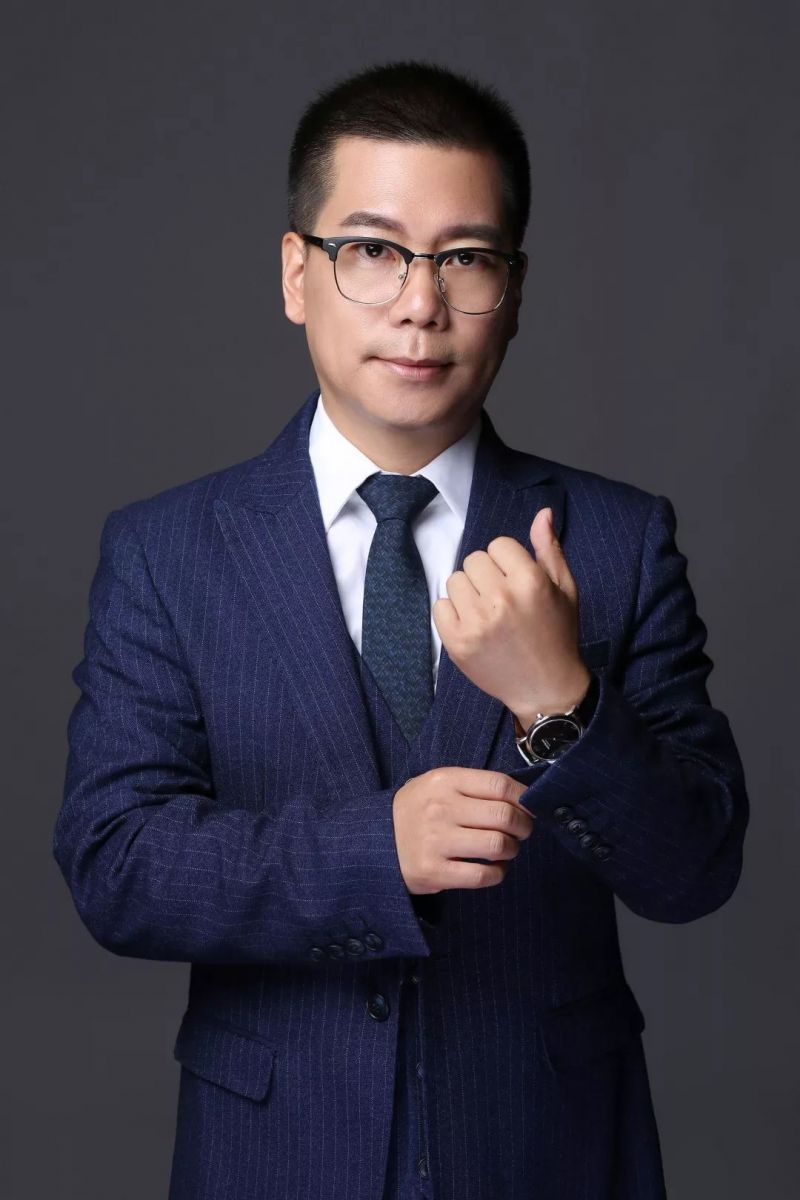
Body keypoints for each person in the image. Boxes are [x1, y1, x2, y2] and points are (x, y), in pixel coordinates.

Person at [53, 60, 749, 1200]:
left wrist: (560, 702)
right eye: (372, 251)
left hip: (547, 1150)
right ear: (297, 273)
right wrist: (374, 852)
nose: (420, 304)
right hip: (274, 1158)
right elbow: (115, 865)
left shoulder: (618, 540)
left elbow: (696, 870)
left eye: (464, 259)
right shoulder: (168, 552)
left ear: (512, 289)